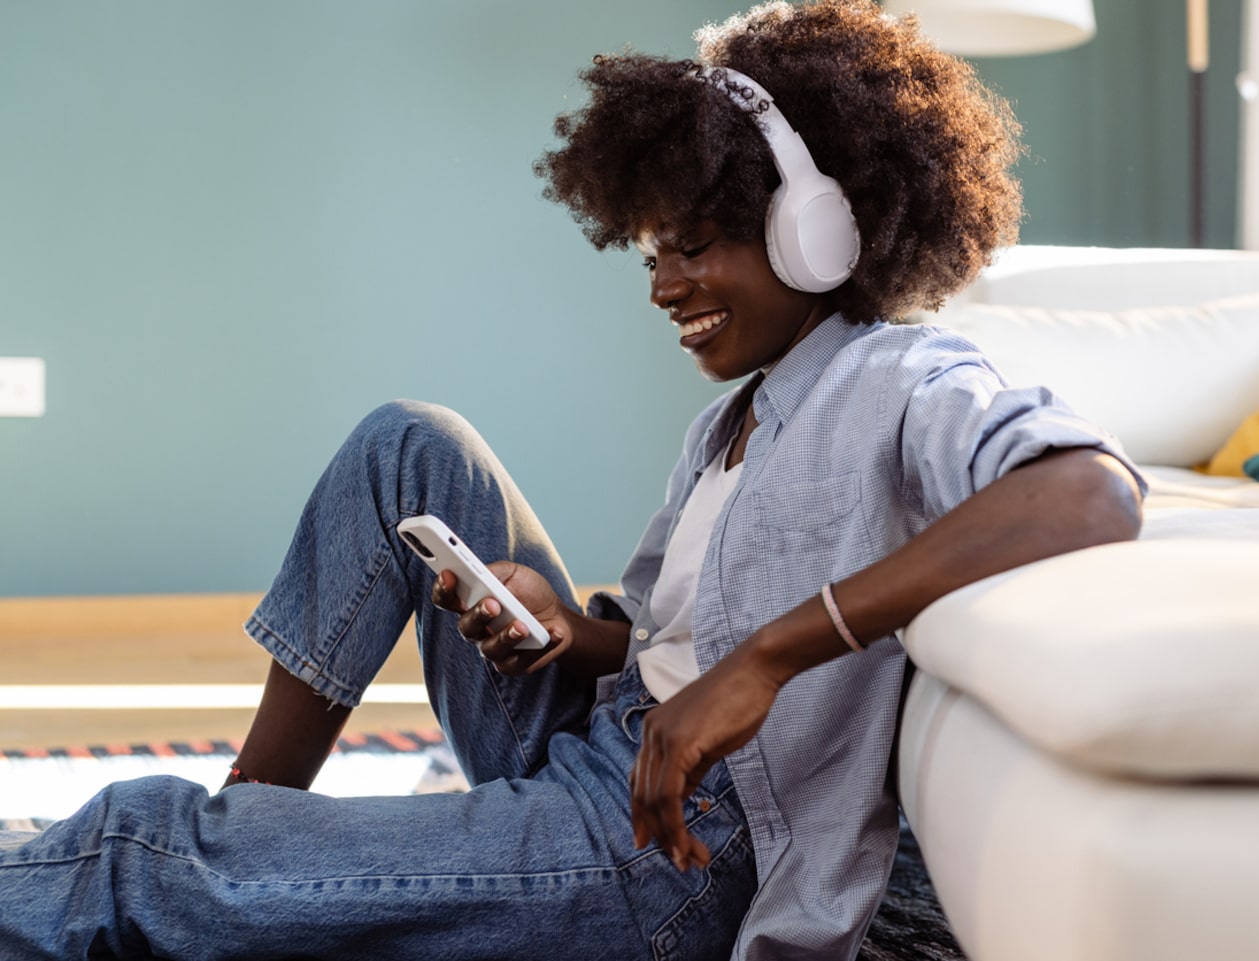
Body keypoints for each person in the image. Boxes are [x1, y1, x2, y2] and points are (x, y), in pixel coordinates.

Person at [0, 2, 1143, 958]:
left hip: (679, 852)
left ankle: (225, 862)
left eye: (697, 244)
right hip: (618, 744)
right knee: (412, 443)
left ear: (819, 234)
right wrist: (568, 634)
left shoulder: (905, 375)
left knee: (136, 848)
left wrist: (770, 655)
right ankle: (259, 825)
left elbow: (1090, 494)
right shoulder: (730, 419)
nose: (663, 283)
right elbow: (666, 643)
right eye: (654, 250)